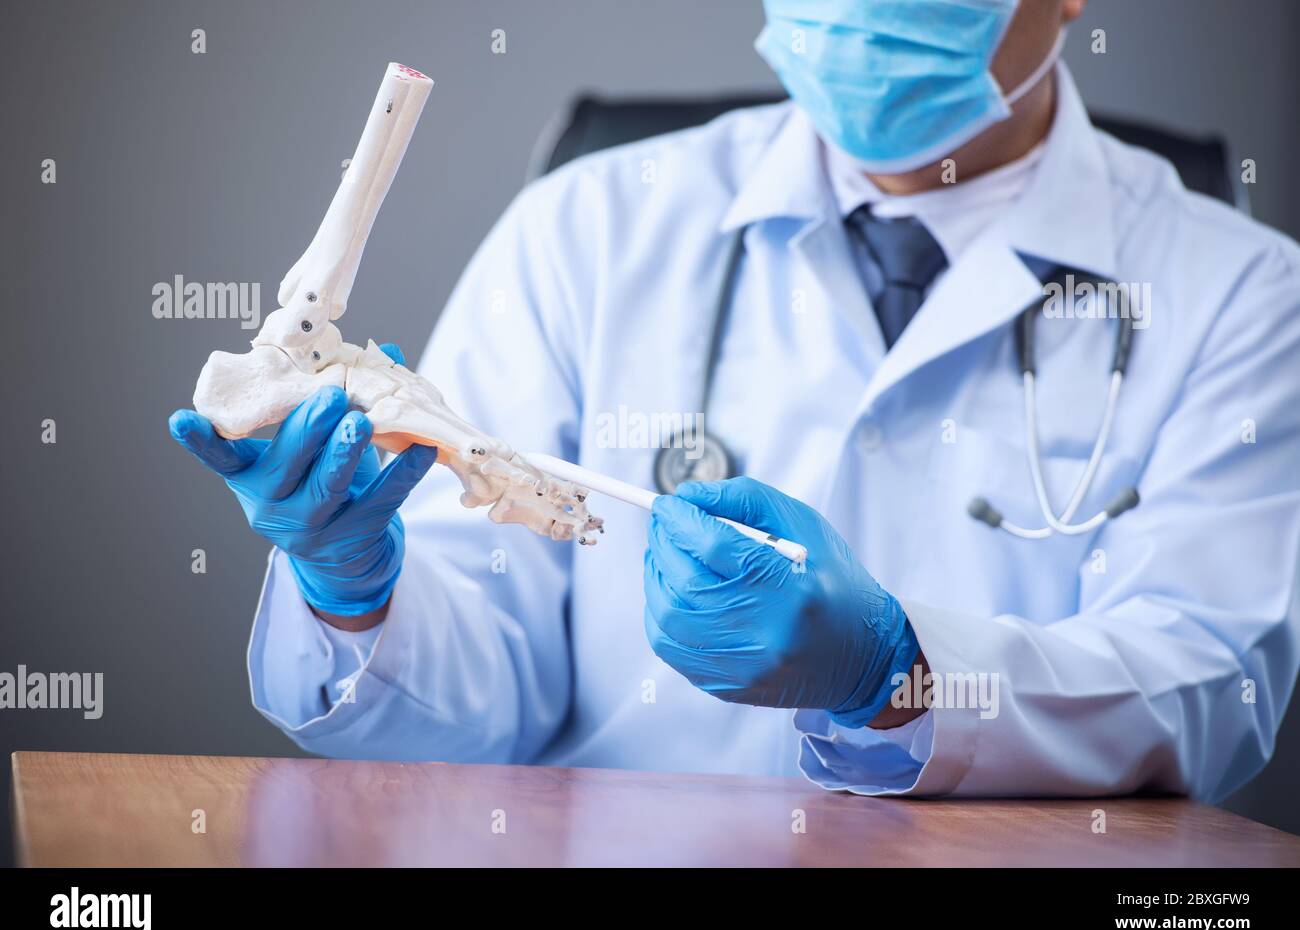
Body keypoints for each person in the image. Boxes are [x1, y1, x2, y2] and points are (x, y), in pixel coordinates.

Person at [170, 0, 1300, 799]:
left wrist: (905, 677)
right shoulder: (589, 228)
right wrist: (357, 594)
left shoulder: (1244, 295)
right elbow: (480, 699)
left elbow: (1209, 682)